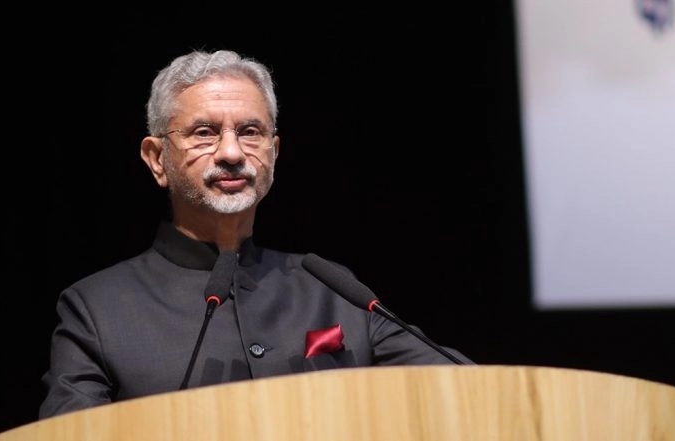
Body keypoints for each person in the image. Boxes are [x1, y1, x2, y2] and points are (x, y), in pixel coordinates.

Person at [39, 48, 474, 419]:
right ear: (157, 159)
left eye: (250, 132)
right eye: (204, 133)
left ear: (274, 152)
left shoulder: (333, 289)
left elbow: (469, 391)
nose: (231, 153)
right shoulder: (95, 309)